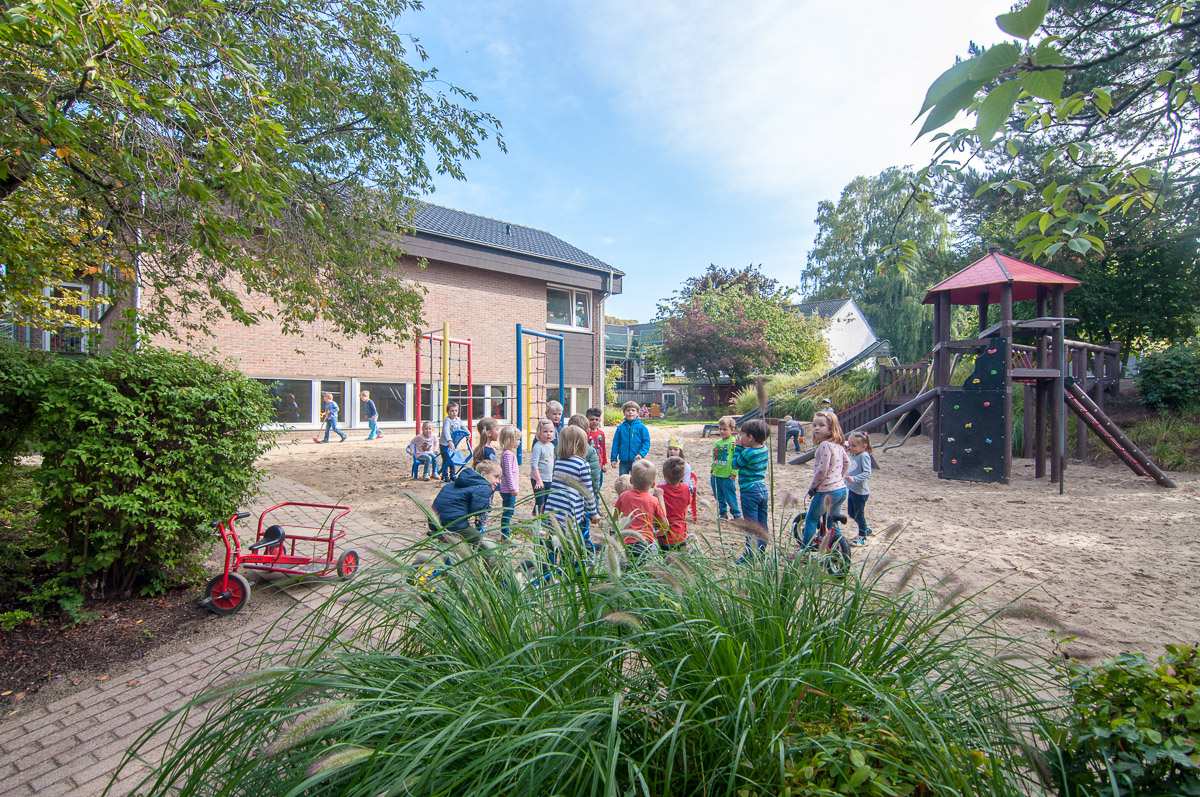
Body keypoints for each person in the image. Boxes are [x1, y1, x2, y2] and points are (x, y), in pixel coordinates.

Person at [543, 425, 599, 551]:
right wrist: (594, 513)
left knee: (552, 542)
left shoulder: (559, 462)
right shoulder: (582, 464)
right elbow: (588, 493)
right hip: (570, 511)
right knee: (569, 545)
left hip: (552, 508)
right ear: (581, 444)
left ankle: (551, 567)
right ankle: (567, 566)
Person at [800, 410, 849, 550]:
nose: (816, 428)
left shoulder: (825, 445)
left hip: (826, 491)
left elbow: (822, 470)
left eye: (821, 425)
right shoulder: (838, 445)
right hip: (841, 490)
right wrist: (840, 477)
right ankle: (837, 547)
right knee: (831, 521)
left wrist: (813, 487)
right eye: (814, 424)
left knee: (811, 519)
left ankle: (805, 550)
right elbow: (847, 463)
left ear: (831, 428)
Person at [430, 460, 501, 546]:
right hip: (452, 523)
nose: (498, 481)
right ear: (483, 474)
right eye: (496, 477)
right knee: (477, 539)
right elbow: (477, 510)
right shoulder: (484, 487)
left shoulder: (460, 482)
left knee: (451, 546)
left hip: (434, 521)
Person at [614, 459, 667, 561]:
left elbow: (614, 518)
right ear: (653, 484)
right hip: (647, 544)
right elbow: (665, 525)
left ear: (631, 480)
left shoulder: (624, 496)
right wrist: (657, 533)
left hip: (627, 544)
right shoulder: (653, 501)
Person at [733, 418, 770, 561]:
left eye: (743, 435)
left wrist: (738, 448)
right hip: (762, 489)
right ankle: (761, 551)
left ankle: (749, 555)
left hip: (749, 491)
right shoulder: (764, 449)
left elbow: (736, 464)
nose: (740, 437)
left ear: (750, 437)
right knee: (762, 523)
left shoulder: (748, 453)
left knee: (751, 526)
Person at [845, 430, 874, 546]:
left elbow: (867, 473)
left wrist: (855, 478)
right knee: (851, 513)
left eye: (854, 446)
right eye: (850, 444)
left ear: (864, 446)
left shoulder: (864, 456)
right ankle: (866, 529)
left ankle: (862, 537)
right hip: (852, 490)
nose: (851, 447)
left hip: (860, 492)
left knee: (859, 514)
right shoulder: (854, 454)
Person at [567, 414, 602, 508]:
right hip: (584, 495)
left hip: (566, 495)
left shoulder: (560, 449)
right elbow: (594, 477)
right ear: (587, 431)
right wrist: (595, 493)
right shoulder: (590, 451)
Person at [657, 456, 691, 552]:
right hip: (681, 534)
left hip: (665, 536)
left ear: (664, 475)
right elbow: (685, 511)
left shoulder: (660, 490)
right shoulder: (686, 489)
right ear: (682, 476)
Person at [710, 415, 741, 521]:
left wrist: (734, 471)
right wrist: (712, 468)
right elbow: (714, 457)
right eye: (720, 429)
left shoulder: (733, 442)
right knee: (719, 496)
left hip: (727, 475)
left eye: (725, 429)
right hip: (716, 474)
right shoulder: (717, 443)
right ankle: (723, 513)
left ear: (732, 429)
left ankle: (736, 514)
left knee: (730, 495)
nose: (722, 431)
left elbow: (736, 458)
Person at [610, 400, 650, 476]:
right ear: (624, 413)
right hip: (623, 461)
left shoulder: (642, 428)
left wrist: (641, 454)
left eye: (633, 410)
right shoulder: (620, 428)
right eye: (628, 410)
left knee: (636, 480)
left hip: (637, 460)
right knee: (623, 479)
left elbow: (646, 442)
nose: (630, 412)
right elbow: (615, 444)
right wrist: (613, 459)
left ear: (637, 413)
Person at [497, 424, 521, 539]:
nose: (519, 442)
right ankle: (505, 535)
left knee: (509, 512)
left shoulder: (510, 454)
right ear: (509, 440)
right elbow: (508, 473)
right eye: (517, 439)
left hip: (509, 489)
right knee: (508, 512)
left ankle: (506, 533)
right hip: (508, 490)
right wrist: (512, 488)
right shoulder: (507, 455)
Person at [666, 436, 698, 520]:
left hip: (683, 487)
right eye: (670, 449)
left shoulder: (685, 466)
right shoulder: (667, 464)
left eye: (676, 449)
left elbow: (686, 484)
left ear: (680, 452)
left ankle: (681, 515)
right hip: (671, 485)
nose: (672, 451)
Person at [529, 418, 556, 513]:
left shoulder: (552, 446)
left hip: (549, 479)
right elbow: (534, 465)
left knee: (547, 501)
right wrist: (538, 480)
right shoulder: (538, 446)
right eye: (545, 431)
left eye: (551, 431)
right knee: (540, 501)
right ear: (539, 433)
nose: (548, 434)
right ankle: (537, 520)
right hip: (538, 480)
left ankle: (542, 519)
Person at [439, 402, 468, 482]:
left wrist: (468, 433)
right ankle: (445, 475)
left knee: (452, 460)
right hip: (445, 444)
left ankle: (452, 475)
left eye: (456, 411)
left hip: (453, 445)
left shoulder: (458, 420)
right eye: (452, 411)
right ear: (448, 412)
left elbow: (463, 427)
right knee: (447, 460)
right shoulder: (447, 420)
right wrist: (449, 441)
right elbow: (446, 431)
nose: (454, 413)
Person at [585, 407, 608, 490]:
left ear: (599, 420)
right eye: (591, 419)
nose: (594, 421)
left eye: (596, 419)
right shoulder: (585, 433)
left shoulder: (601, 433)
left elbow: (603, 448)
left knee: (598, 482)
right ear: (587, 420)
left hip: (599, 462)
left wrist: (604, 463)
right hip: (589, 462)